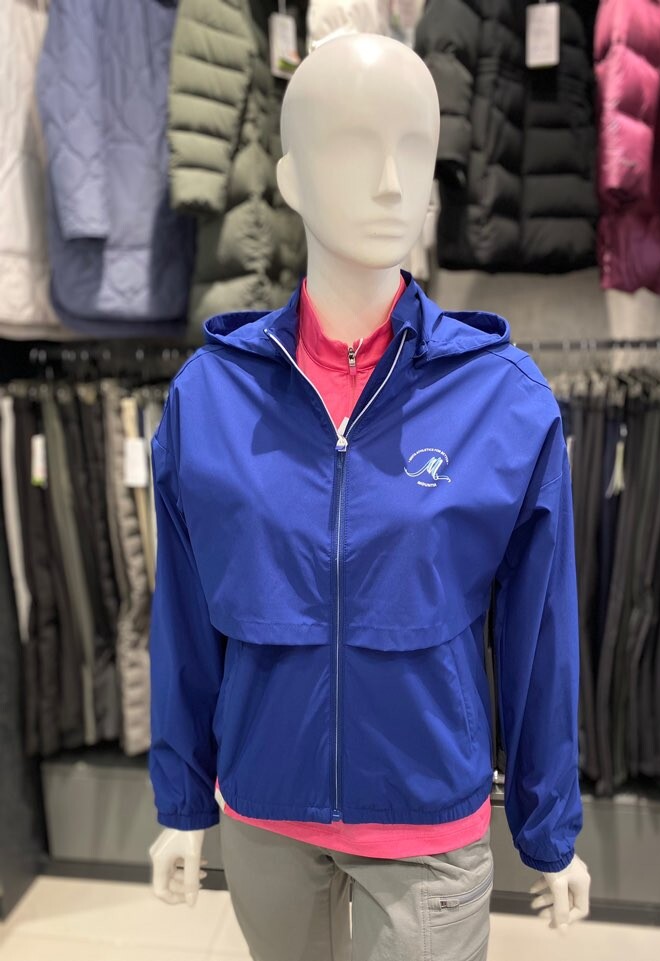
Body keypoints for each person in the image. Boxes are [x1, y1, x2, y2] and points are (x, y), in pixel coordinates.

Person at [148, 32, 591, 961]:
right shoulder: (212, 395)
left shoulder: (503, 398)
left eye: (414, 150)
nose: (392, 184)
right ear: (290, 178)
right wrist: (182, 803)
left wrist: (550, 826)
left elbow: (540, 634)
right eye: (355, 146)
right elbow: (184, 618)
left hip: (428, 813)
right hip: (265, 808)